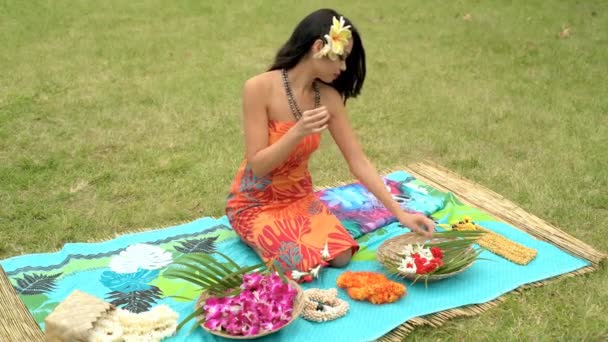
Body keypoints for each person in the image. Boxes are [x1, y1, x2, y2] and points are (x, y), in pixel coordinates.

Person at [225, 8, 435, 281]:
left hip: (299, 198)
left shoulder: (328, 98)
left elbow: (358, 161)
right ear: (318, 47)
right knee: (300, 266)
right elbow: (259, 165)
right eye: (340, 57)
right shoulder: (258, 88)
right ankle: (257, 233)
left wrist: (400, 213)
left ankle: (293, 231)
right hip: (255, 202)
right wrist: (297, 132)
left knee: (341, 255)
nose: (344, 68)